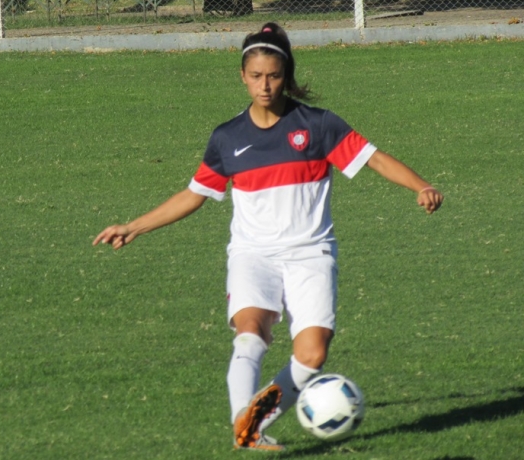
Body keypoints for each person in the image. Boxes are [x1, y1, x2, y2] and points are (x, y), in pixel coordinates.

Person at [92, 23, 443, 451]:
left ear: (286, 75)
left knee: (313, 354)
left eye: (274, 76)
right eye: (256, 76)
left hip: (311, 254)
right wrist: (133, 226)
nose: (265, 85)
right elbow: (194, 194)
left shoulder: (318, 125)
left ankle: (255, 418)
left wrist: (421, 186)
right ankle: (247, 428)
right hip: (253, 254)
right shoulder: (227, 137)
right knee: (251, 331)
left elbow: (373, 158)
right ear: (242, 76)